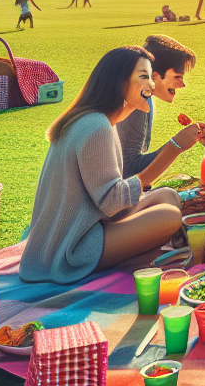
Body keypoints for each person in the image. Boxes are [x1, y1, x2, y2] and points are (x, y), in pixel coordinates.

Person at [19, 46, 184, 284]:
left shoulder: (98, 120)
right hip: (69, 249)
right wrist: (176, 146)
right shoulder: (96, 127)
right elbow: (111, 202)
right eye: (143, 77)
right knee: (168, 217)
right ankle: (119, 263)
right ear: (119, 81)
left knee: (168, 196)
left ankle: (128, 258)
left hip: (88, 226)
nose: (151, 85)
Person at [116, 34, 205, 181]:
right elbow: (128, 171)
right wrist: (176, 144)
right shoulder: (136, 104)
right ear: (154, 76)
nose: (182, 84)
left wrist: (189, 139)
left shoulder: (140, 94)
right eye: (177, 77)